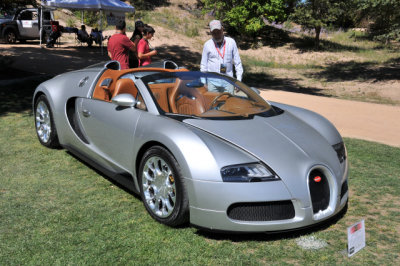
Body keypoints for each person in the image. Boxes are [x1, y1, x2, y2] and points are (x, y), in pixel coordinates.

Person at [200, 20, 243, 92]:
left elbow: (237, 63)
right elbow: (204, 65)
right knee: (212, 103)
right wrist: (203, 82)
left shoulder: (231, 42)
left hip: (228, 82)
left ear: (222, 29)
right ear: (211, 32)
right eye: (214, 32)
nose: (217, 34)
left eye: (218, 31)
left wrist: (238, 81)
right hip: (212, 83)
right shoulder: (207, 45)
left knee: (229, 103)